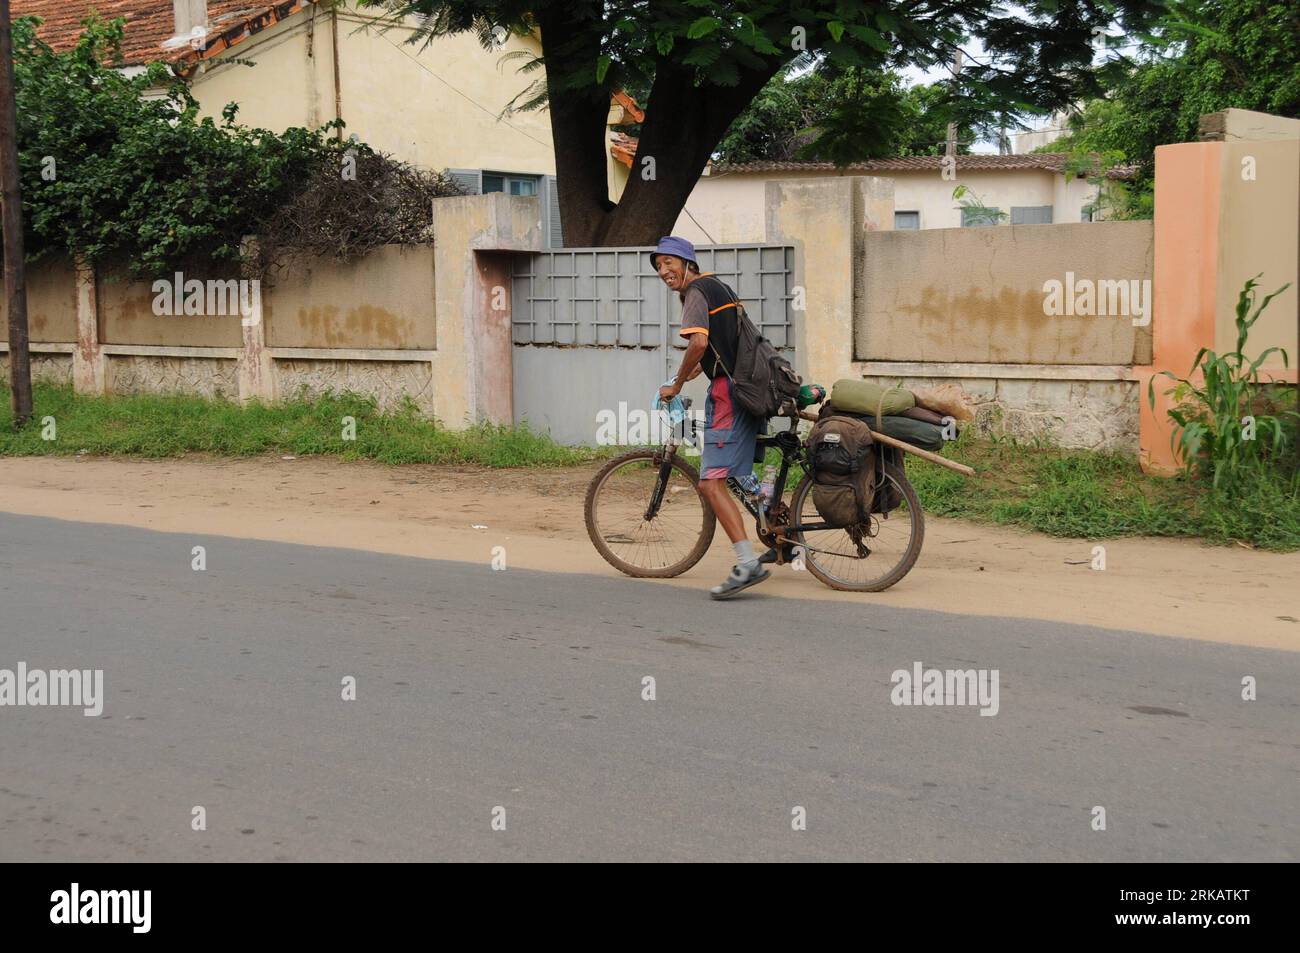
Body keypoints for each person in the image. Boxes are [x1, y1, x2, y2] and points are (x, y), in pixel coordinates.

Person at [653, 236, 771, 599]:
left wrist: (675, 384)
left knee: (710, 483)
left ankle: (747, 563)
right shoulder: (718, 286)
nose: (663, 271)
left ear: (687, 262)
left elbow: (700, 344)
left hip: (729, 394)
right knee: (739, 471)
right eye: (658, 266)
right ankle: (786, 538)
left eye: (669, 263)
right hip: (754, 386)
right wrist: (689, 374)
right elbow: (720, 347)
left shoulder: (695, 293)